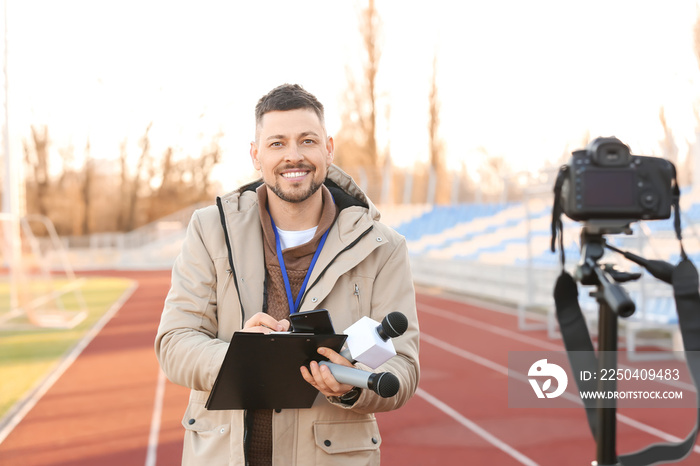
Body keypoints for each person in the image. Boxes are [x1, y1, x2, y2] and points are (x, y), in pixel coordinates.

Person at [155, 83, 420, 466]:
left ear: (328, 148)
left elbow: (403, 366)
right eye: (277, 143)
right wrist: (243, 356)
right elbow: (175, 342)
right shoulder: (211, 229)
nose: (293, 156)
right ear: (255, 154)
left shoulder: (383, 246)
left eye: (307, 141)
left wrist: (352, 384)